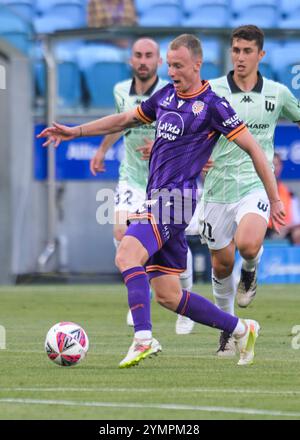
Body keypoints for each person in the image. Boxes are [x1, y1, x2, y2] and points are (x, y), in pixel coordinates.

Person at [38, 34, 285, 369]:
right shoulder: (166, 95)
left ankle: (143, 338)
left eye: (179, 65)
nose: (172, 71)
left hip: (177, 200)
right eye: (169, 65)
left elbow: (254, 149)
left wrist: (273, 198)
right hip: (157, 198)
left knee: (126, 253)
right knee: (169, 295)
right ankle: (241, 329)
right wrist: (75, 131)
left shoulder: (213, 105)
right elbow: (125, 119)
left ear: (198, 65)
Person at [200, 25, 300, 357]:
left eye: (247, 51)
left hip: (256, 183)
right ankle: (228, 330)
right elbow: (191, 129)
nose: (240, 57)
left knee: (247, 243)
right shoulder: (210, 90)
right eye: (236, 50)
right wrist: (196, 159)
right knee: (220, 265)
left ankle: (252, 270)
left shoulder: (277, 93)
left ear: (261, 55)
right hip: (216, 188)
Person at [90, 37, 195, 334]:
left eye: (149, 55)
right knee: (121, 230)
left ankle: (185, 299)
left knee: (174, 242)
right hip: (133, 177)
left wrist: (162, 145)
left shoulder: (171, 92)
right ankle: (139, 292)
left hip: (166, 180)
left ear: (159, 62)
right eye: (138, 55)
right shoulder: (120, 90)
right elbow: (122, 122)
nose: (143, 60)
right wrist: (101, 150)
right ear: (130, 60)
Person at [266, 153, 300, 244]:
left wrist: (287, 227)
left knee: (298, 233)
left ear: (280, 167)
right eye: (271, 164)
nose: (273, 168)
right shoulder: (256, 190)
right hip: (263, 229)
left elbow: (296, 220)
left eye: (276, 164)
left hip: (285, 230)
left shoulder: (289, 193)